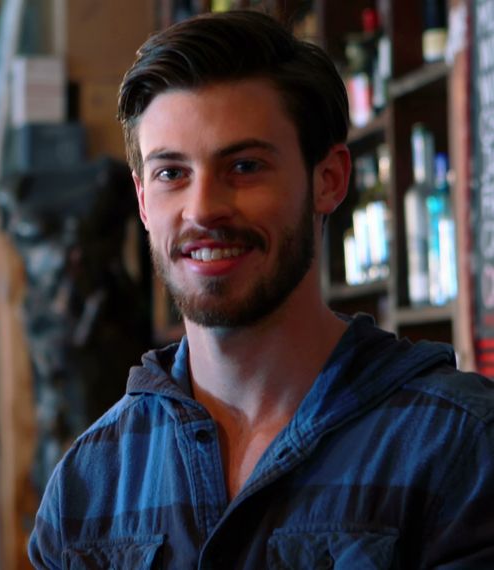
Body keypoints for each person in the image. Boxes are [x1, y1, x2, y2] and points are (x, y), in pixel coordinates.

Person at [28, 10, 494, 569]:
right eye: (172, 173)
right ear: (144, 201)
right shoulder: (87, 485)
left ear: (329, 180)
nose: (203, 209)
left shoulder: (458, 445)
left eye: (245, 166)